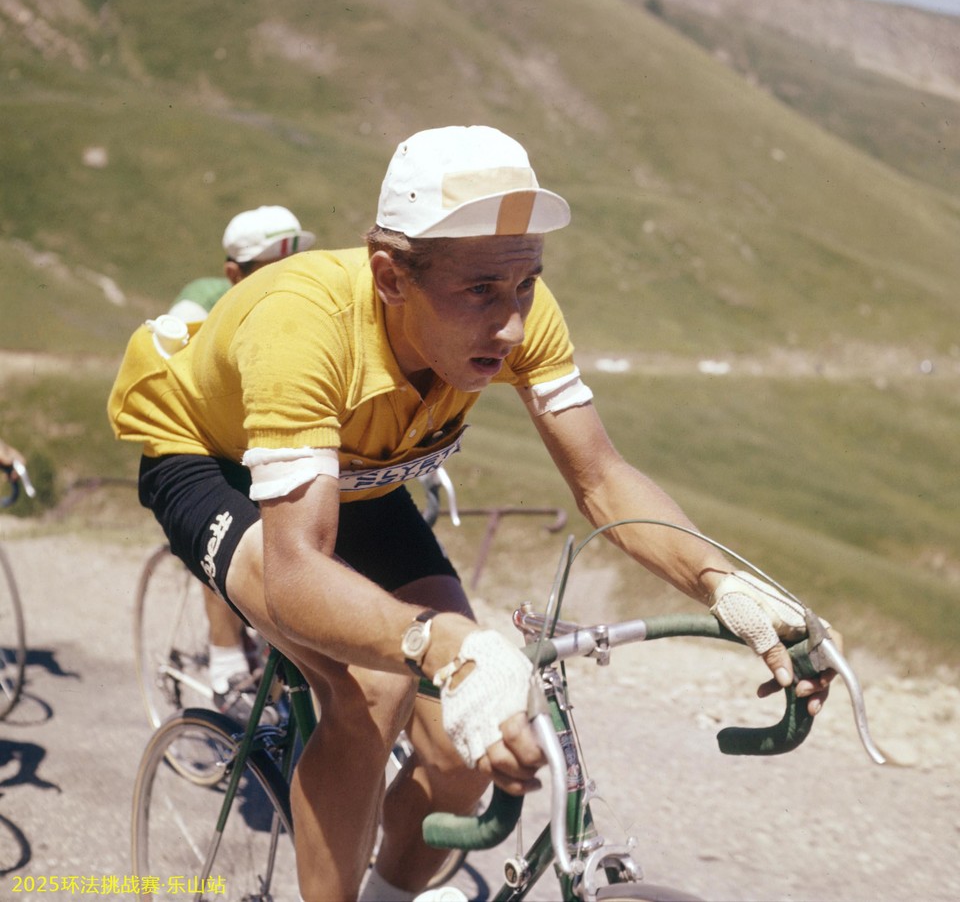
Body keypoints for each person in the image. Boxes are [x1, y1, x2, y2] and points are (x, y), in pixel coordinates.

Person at [108, 125, 834, 901]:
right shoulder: (302, 326)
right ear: (390, 276)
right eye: (482, 292)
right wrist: (444, 642)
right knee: (371, 691)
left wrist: (726, 585)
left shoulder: (514, 295)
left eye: (525, 286)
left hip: (357, 474)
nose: (513, 324)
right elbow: (295, 572)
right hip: (209, 460)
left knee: (467, 743)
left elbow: (602, 477)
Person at [169, 205, 317, 716]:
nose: (284, 280)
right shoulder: (208, 296)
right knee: (228, 538)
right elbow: (174, 344)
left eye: (296, 264)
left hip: (269, 441)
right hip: (209, 445)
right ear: (234, 274)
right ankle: (224, 657)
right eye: (267, 270)